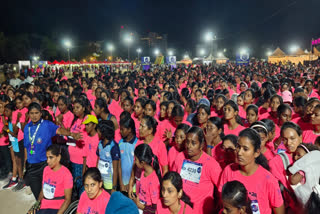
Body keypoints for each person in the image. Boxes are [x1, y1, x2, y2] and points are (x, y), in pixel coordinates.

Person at [219, 128, 285, 214]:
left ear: (256, 153)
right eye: (238, 146)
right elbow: (223, 203)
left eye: (245, 149)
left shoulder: (268, 180)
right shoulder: (228, 171)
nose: (239, 152)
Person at [24, 102, 81, 199]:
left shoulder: (47, 125)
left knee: (47, 194)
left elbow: (59, 130)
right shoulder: (27, 128)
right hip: (31, 167)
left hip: (44, 165)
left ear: (41, 113)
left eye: (36, 113)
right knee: (37, 195)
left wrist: (72, 134)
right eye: (32, 113)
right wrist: (25, 167)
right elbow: (27, 147)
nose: (34, 116)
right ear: (28, 114)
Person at [173, 127, 222, 214]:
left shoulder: (211, 164)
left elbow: (221, 191)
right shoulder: (180, 157)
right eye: (187, 142)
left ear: (202, 145)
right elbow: (173, 182)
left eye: (193, 143)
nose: (189, 146)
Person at [28, 144, 73, 214]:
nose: (48, 161)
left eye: (51, 157)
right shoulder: (46, 169)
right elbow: (43, 190)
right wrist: (37, 204)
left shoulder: (66, 174)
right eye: (47, 157)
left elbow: (67, 200)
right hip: (44, 205)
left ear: (58, 158)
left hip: (56, 207)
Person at [131, 144, 162, 213]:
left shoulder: (153, 180)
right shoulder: (143, 172)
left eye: (135, 159)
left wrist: (139, 205)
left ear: (142, 163)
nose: (134, 162)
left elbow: (154, 209)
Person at [96, 120, 120, 193]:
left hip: (109, 185)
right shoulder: (100, 144)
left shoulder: (113, 146)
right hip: (101, 182)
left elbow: (115, 169)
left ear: (104, 132)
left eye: (99, 131)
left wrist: (114, 187)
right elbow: (98, 161)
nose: (97, 133)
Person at [118, 116, 138, 193]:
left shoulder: (137, 144)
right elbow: (119, 165)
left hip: (134, 186)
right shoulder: (120, 143)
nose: (120, 131)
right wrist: (121, 184)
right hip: (122, 184)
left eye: (122, 129)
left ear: (129, 130)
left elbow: (137, 167)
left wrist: (131, 183)